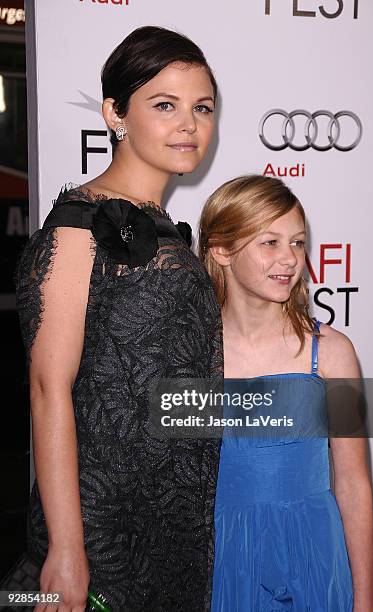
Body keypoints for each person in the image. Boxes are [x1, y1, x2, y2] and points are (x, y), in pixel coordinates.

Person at [16, 26, 223, 612]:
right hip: (101, 524)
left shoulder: (163, 229)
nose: (189, 124)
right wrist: (65, 548)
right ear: (115, 113)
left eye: (202, 108)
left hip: (177, 522)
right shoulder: (79, 228)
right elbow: (47, 389)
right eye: (165, 105)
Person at [199, 175, 373, 612]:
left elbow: (353, 484)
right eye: (270, 243)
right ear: (221, 250)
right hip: (220, 560)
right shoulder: (190, 357)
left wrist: (367, 599)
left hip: (314, 558)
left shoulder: (333, 354)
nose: (289, 260)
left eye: (298, 243)